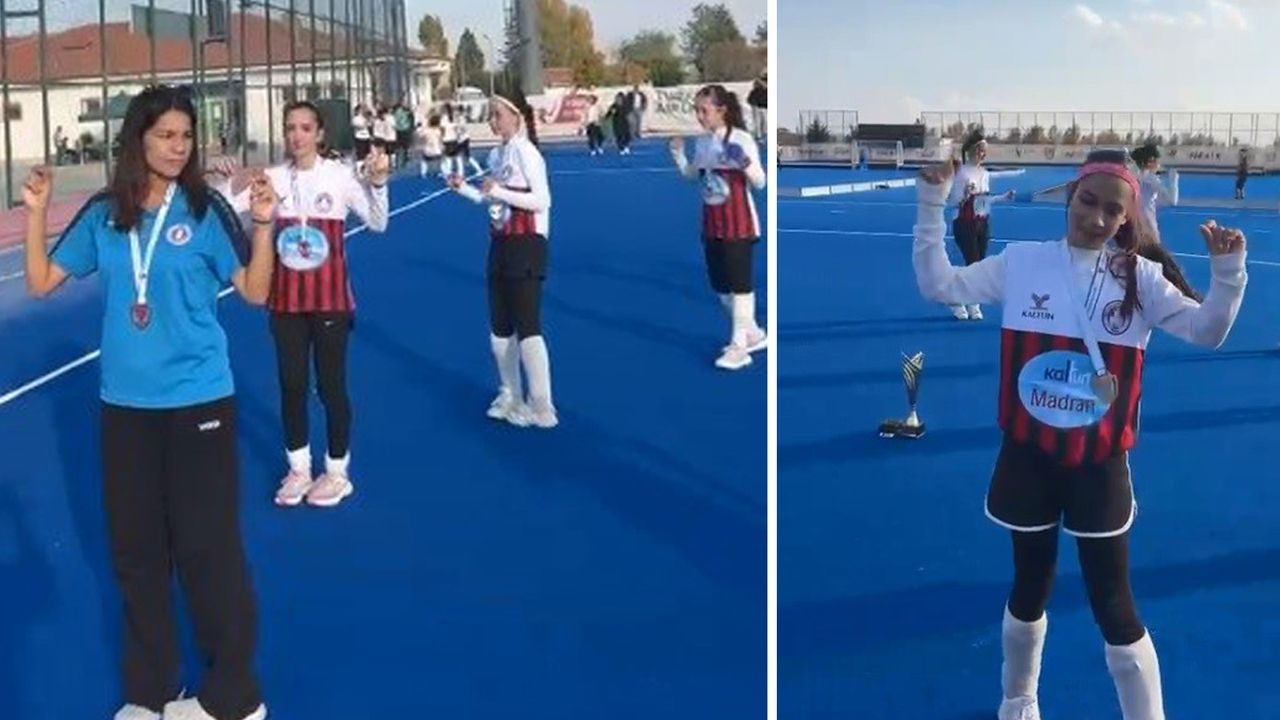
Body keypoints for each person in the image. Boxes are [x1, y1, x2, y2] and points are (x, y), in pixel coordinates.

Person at [913, 149, 1248, 720]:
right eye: (1088, 202)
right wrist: (929, 203)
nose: (1097, 218)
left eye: (1112, 211)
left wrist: (1228, 273)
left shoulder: (1141, 279)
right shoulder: (1022, 263)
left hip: (1098, 463)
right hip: (1029, 457)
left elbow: (1208, 330)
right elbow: (939, 284)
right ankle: (1019, 701)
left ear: (1127, 218)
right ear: (1070, 196)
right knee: (1029, 586)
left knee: (1114, 603)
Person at [24, 84, 276, 720]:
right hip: (125, 409)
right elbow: (42, 281)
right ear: (138, 138)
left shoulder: (205, 210)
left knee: (206, 550)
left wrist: (265, 226)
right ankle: (150, 691)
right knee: (136, 554)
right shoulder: (105, 213)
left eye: (185, 136)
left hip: (198, 403)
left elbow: (254, 291)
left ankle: (235, 697)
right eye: (165, 135)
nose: (177, 146)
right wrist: (36, 211)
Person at [216, 100, 390, 508]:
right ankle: (298, 469)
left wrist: (380, 184)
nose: (297, 136)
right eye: (290, 128)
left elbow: (378, 223)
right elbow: (225, 211)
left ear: (320, 133)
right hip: (286, 301)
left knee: (330, 387)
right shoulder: (273, 178)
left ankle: (337, 472)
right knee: (292, 385)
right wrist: (227, 181)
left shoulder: (340, 176)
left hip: (330, 300)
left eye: (305, 128)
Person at [447, 92, 558, 428]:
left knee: (527, 325)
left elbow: (541, 200)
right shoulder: (497, 154)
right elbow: (493, 201)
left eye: (498, 115)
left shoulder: (527, 152)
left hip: (527, 243)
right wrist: (465, 190)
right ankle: (510, 393)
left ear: (516, 117)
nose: (492, 121)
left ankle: (542, 405)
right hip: (501, 242)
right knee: (499, 326)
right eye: (491, 115)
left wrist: (498, 191)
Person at [669, 84, 767, 370]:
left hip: (739, 223)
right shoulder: (703, 143)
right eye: (697, 111)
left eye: (705, 110)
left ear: (721, 110)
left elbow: (760, 181)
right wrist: (678, 155)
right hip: (713, 223)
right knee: (721, 288)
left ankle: (739, 347)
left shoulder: (741, 138)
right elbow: (692, 175)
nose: (700, 116)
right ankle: (753, 333)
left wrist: (742, 160)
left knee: (740, 286)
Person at [946, 130, 1015, 321]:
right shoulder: (961, 173)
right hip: (964, 223)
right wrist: (964, 195)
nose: (982, 154)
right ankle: (962, 301)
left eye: (984, 151)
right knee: (973, 263)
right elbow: (952, 202)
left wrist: (1003, 197)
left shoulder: (984, 174)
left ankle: (966, 300)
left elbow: (985, 200)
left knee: (979, 265)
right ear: (970, 150)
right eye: (979, 150)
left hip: (983, 222)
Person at [1130, 145, 1177, 242]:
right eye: (1157, 160)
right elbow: (1172, 201)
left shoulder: (1132, 176)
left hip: (1132, 221)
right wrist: (1174, 181)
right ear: (1150, 162)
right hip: (1148, 222)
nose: (1159, 164)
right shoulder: (1151, 179)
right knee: (1152, 249)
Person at [747, 72, 767, 142]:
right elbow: (749, 99)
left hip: (763, 107)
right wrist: (753, 103)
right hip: (757, 107)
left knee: (764, 121)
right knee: (758, 122)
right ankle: (759, 136)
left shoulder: (765, 91)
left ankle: (763, 135)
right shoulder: (755, 91)